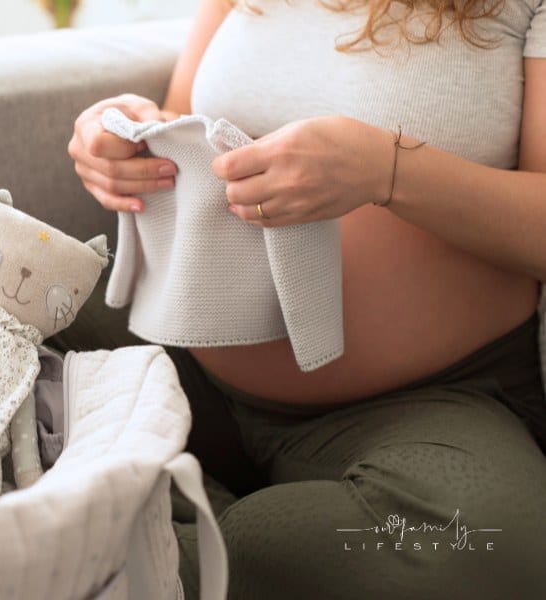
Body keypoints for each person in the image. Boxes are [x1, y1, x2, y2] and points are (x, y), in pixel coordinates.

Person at [64, 0, 546, 597]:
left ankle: (141, 542)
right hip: (180, 355)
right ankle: (186, 532)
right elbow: (180, 122)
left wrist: (386, 169)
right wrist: (118, 140)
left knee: (484, 546)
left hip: (426, 402)